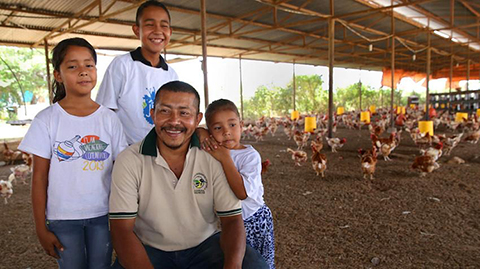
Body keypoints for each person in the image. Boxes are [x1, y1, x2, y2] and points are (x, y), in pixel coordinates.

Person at [109, 81, 268, 269]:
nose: (174, 121)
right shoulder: (129, 160)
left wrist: (232, 266)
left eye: (184, 113)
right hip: (151, 249)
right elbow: (121, 230)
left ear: (197, 118)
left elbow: (232, 220)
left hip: (206, 246)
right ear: (152, 115)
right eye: (165, 111)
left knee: (253, 265)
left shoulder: (213, 156)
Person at [18, 37, 128, 268]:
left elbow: (122, 171)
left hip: (103, 216)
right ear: (58, 75)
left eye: (89, 65)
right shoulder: (47, 120)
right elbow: (38, 178)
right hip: (62, 218)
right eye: (72, 66)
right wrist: (40, 227)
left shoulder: (109, 118)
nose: (83, 72)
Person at [201, 99, 276, 269]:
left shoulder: (249, 156)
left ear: (241, 125)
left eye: (232, 125)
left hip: (253, 219)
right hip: (229, 221)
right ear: (210, 131)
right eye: (218, 128)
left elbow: (241, 193)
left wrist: (225, 158)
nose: (227, 132)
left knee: (257, 261)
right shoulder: (212, 150)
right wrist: (201, 133)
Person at [96, 0, 178, 145]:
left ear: (170, 32)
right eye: (149, 25)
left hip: (161, 150)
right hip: (127, 151)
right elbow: (104, 112)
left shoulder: (171, 74)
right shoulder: (122, 65)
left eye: (164, 25)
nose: (158, 30)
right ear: (136, 30)